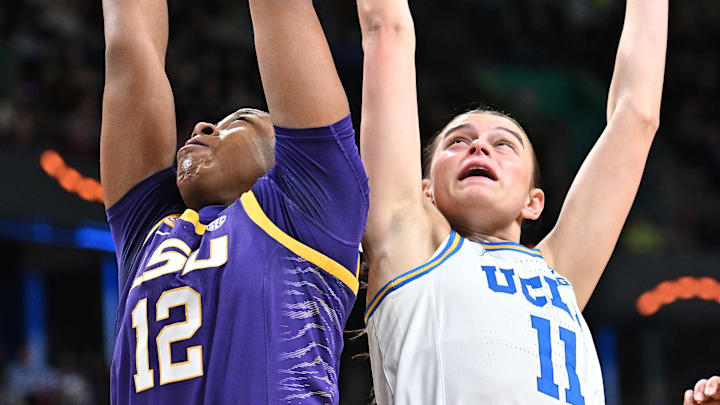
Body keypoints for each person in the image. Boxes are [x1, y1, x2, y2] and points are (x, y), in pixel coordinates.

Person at [356, 0, 666, 402]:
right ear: (425, 191)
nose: (480, 147)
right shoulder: (406, 247)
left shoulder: (559, 273)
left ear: (533, 202)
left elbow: (637, 118)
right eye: (458, 141)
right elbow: (388, 30)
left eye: (504, 144)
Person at [100, 0, 368, 402]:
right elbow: (130, 51)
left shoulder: (312, 211)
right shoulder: (153, 233)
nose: (204, 126)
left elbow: (281, 11)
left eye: (237, 122)